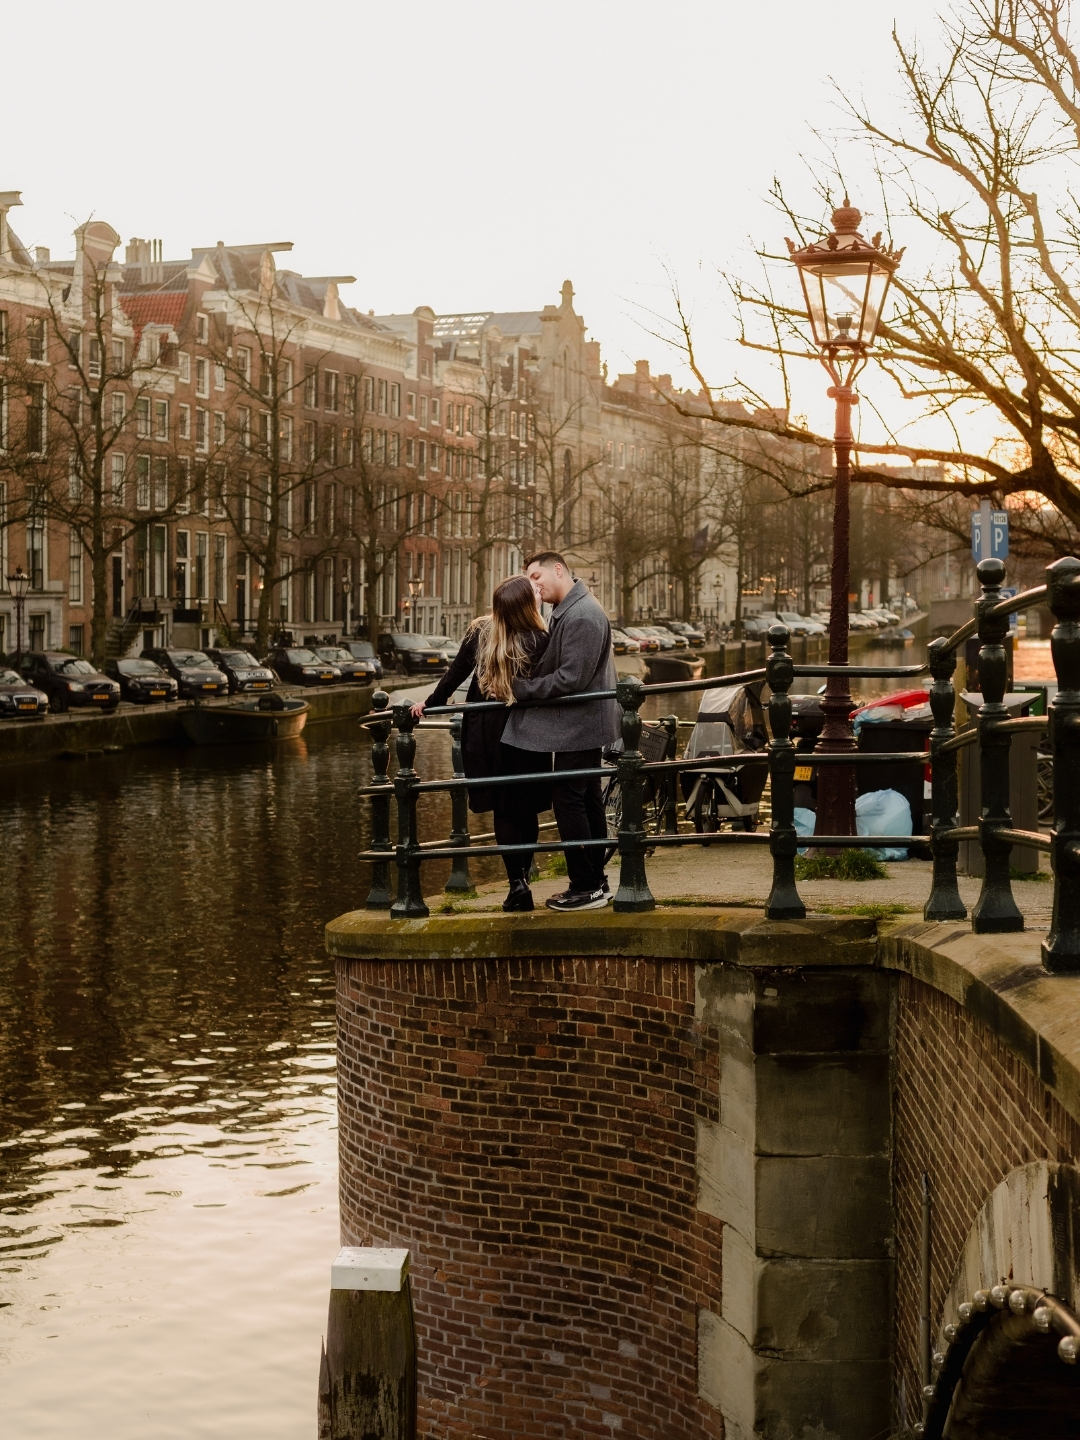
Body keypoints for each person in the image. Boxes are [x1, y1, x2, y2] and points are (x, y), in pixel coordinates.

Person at [411, 575, 551, 912]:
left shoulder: (480, 632)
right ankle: (525, 880)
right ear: (526, 606)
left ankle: (516, 882)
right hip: (525, 730)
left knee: (503, 806)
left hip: (487, 733)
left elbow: (455, 673)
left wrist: (429, 703)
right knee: (526, 804)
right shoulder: (540, 638)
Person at [503, 550, 620, 911]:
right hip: (581, 724)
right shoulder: (571, 609)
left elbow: (571, 678)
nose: (532, 586)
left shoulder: (582, 615)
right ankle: (594, 882)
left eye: (536, 578)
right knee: (584, 800)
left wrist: (518, 690)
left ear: (558, 570)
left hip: (579, 725)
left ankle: (586, 887)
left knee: (570, 800)